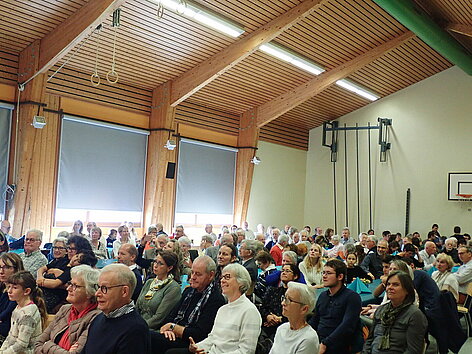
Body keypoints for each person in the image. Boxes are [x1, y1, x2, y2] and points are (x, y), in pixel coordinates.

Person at [151, 256, 226, 353]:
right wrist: (168, 329)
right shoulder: (189, 291)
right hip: (174, 335)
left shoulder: (215, 299)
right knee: (144, 335)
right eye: (192, 272)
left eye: (198, 274)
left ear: (211, 275)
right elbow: (170, 316)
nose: (193, 277)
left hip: (192, 343)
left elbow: (200, 334)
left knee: (150, 338)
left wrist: (173, 327)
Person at [188, 264, 262, 354]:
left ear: (241, 282)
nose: (222, 281)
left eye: (227, 277)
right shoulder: (222, 309)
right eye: (222, 277)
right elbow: (212, 338)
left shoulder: (250, 311)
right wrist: (197, 347)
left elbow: (246, 351)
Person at [82, 264, 150, 353]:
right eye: (98, 287)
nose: (97, 294)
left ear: (124, 291)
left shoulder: (135, 330)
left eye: (104, 288)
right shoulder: (98, 318)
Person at [35, 265, 101, 353]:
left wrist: (47, 344)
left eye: (75, 286)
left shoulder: (96, 318)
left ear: (89, 292)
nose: (68, 288)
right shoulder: (65, 309)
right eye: (70, 283)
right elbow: (37, 344)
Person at [363, 270, 427, 354]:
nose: (390, 287)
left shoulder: (414, 315)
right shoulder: (381, 310)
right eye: (388, 284)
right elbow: (370, 340)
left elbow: (413, 350)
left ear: (407, 290)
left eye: (395, 285)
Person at [309, 259, 362, 354]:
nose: (324, 276)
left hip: (338, 345)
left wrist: (325, 343)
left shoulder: (352, 297)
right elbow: (315, 320)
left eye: (328, 273)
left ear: (340, 276)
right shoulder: (323, 296)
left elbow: (347, 326)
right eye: (323, 273)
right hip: (318, 341)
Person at [0, 271, 47, 353]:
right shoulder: (18, 307)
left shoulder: (28, 314)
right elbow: (10, 336)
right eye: (9, 287)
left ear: (26, 291)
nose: (9, 291)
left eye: (14, 288)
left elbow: (21, 345)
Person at [136, 251, 181, 331]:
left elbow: (159, 318)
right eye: (155, 262)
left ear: (169, 268)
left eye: (160, 263)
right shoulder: (149, 282)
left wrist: (139, 327)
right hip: (139, 324)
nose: (155, 266)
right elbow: (137, 307)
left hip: (156, 329)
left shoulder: (173, 288)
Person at [270, 282, 319, 354]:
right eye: (284, 298)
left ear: (304, 309)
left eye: (289, 300)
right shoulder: (282, 328)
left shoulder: (308, 338)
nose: (283, 303)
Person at [260, 264, 300, 338]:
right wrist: (268, 316)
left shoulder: (297, 295)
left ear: (295, 276)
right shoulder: (272, 290)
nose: (284, 273)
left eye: (287, 271)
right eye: (282, 271)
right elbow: (263, 308)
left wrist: (281, 319)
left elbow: (298, 314)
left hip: (289, 327)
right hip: (268, 325)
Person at [0, 253, 24, 342]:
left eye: (6, 267)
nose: (1, 271)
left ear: (16, 269)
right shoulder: (2, 286)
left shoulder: (19, 290)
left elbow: (4, 315)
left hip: (9, 336)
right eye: (0, 267)